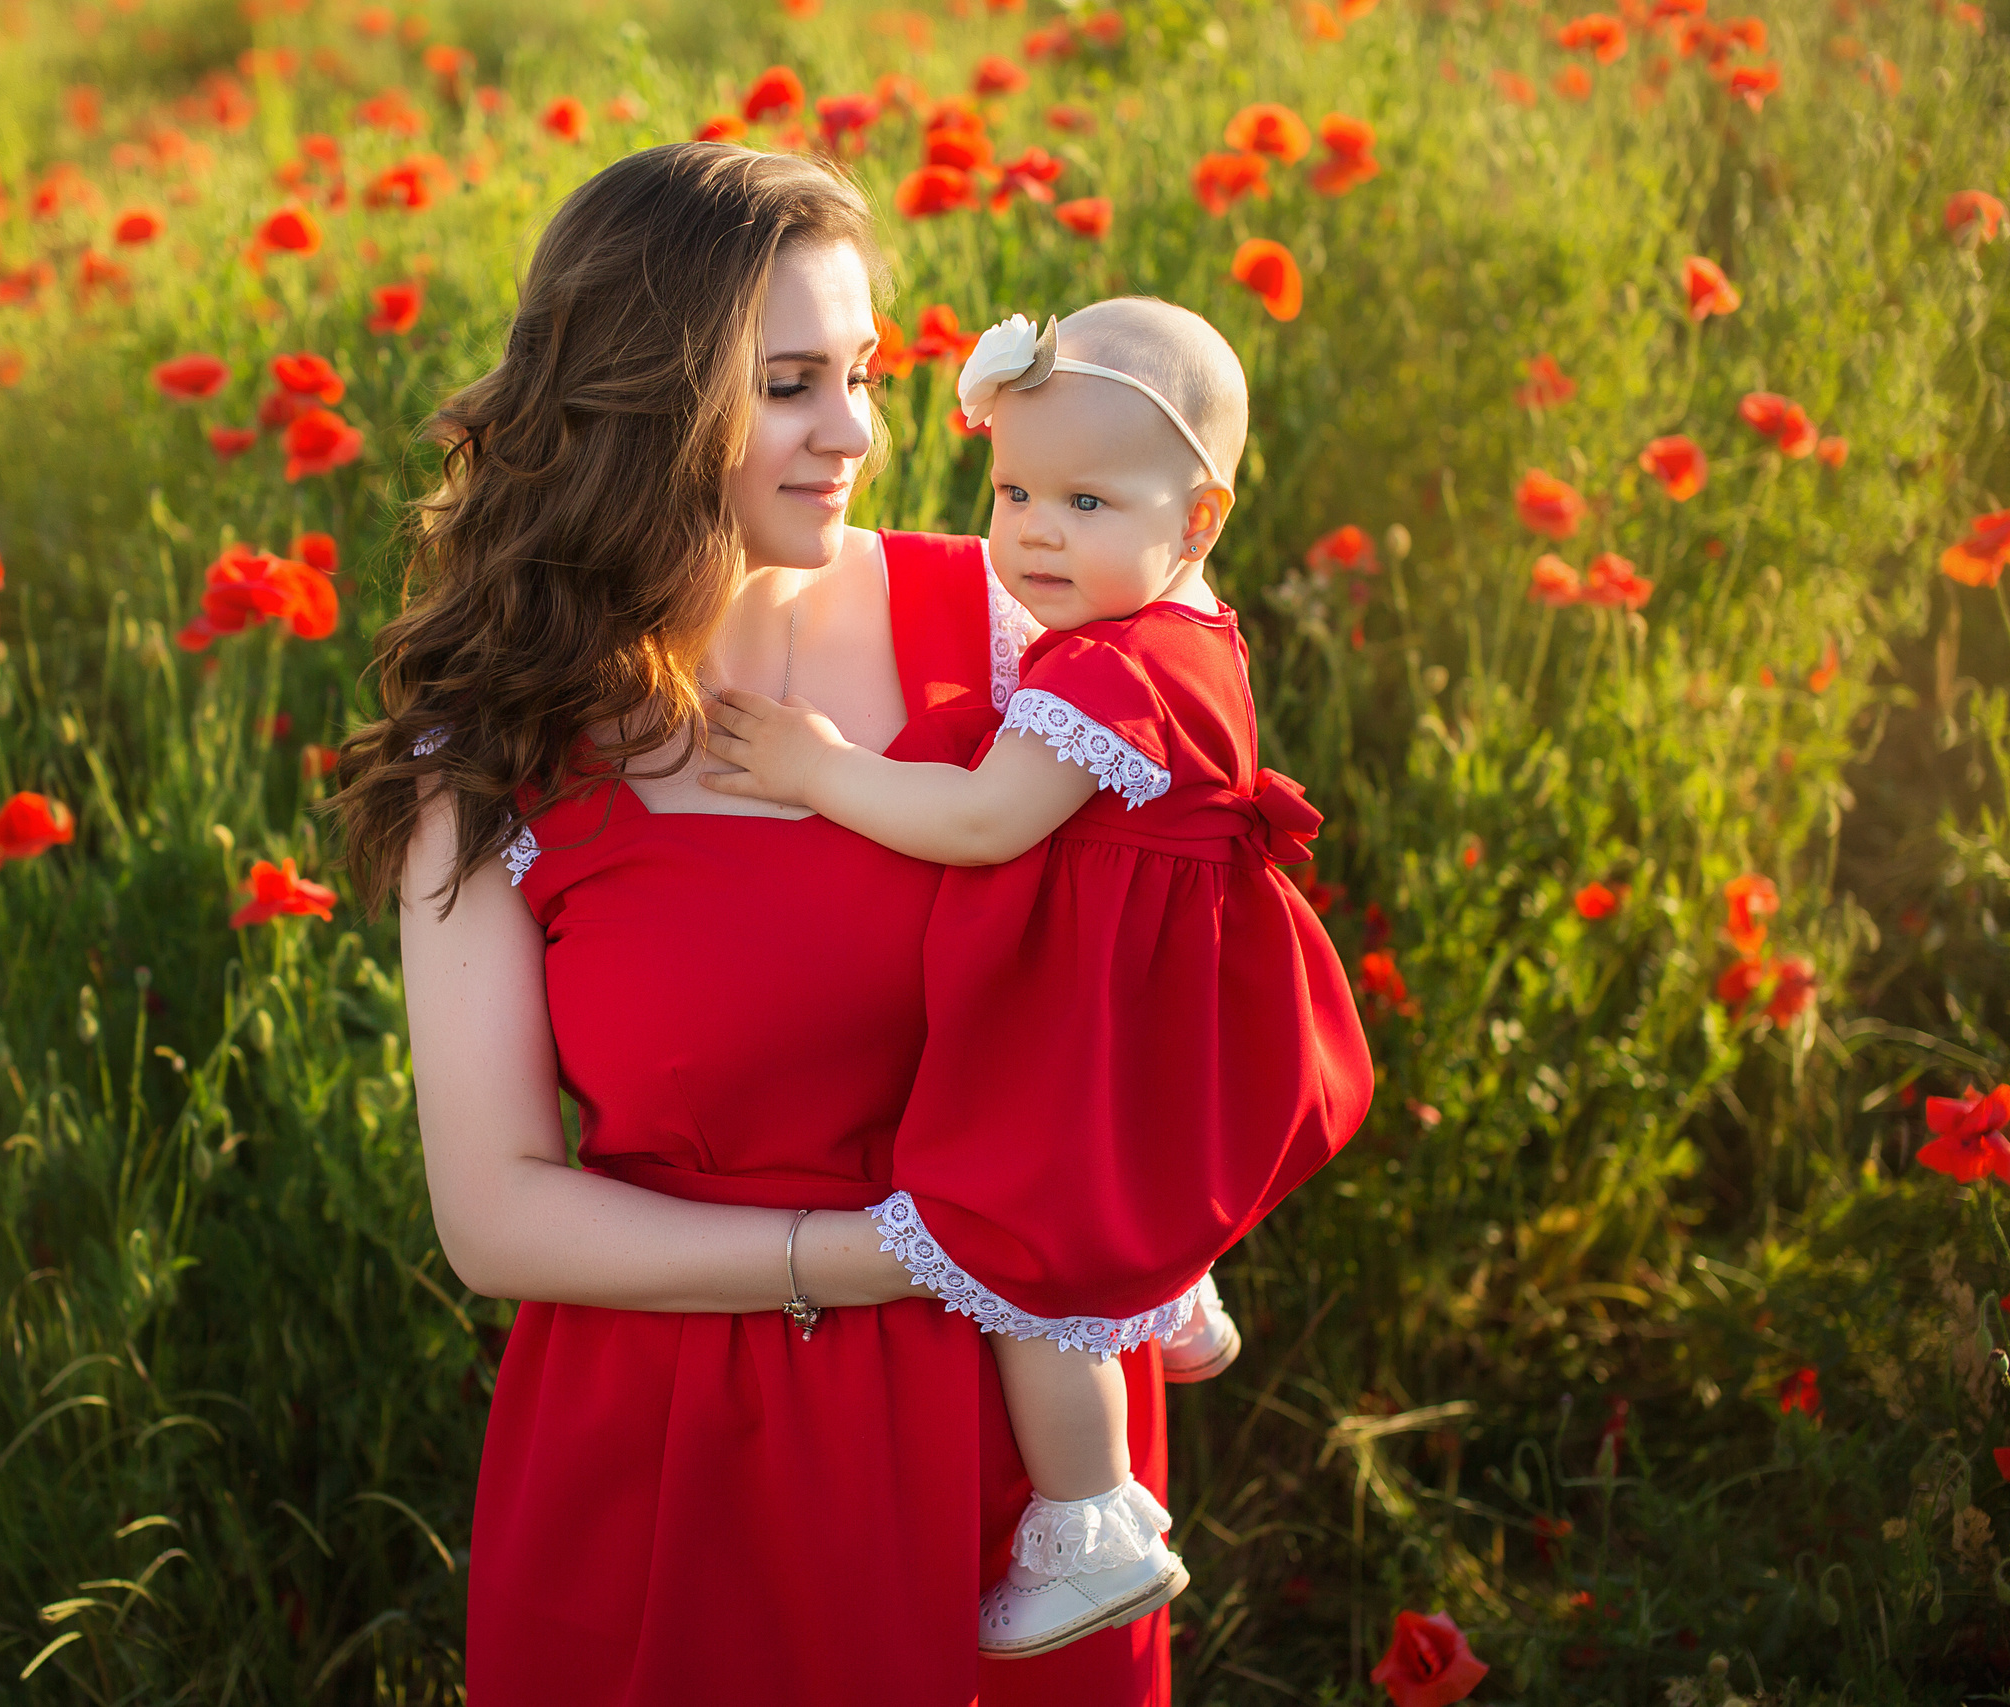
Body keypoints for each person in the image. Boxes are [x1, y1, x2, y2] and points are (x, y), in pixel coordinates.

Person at [334, 144, 1176, 1703]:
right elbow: (495, 1214)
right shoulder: (496, 751)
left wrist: (1145, 1226)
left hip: (1021, 1435)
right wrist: (882, 1257)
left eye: (862, 373)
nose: (855, 431)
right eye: (789, 386)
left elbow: (1185, 956)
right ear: (644, 406)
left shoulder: (1016, 644)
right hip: (680, 1444)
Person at [701, 300, 1375, 1657]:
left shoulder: (1110, 675)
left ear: (1199, 521)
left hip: (1100, 1007)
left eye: (1085, 501)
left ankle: (1089, 1521)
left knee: (1027, 1248)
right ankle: (1173, 1288)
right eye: (1014, 493)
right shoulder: (1187, 628)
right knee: (1131, 1159)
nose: (1035, 533)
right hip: (1165, 992)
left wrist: (816, 766)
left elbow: (979, 822)